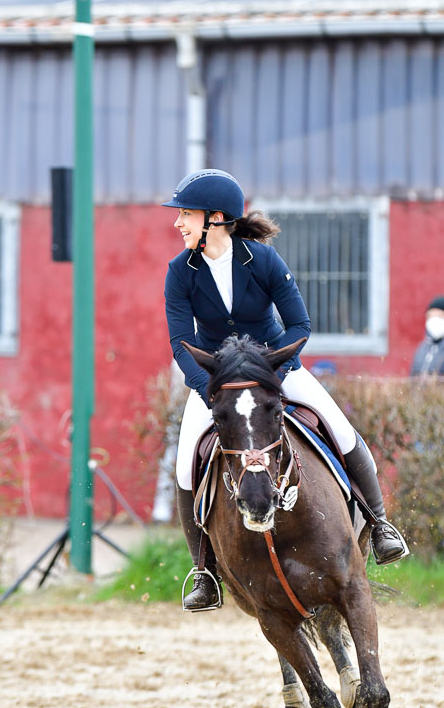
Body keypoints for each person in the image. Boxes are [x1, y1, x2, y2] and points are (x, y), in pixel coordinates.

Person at [162, 169, 408, 610]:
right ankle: (204, 572)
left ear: (216, 218)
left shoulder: (262, 259)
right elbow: (182, 346)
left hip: (277, 369)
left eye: (186, 214)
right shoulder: (180, 272)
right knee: (184, 466)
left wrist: (271, 370)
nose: (178, 223)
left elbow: (300, 324)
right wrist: (211, 390)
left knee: (343, 431)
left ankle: (382, 526)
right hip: (219, 382)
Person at [410, 295, 444, 376]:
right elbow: (412, 379)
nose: (434, 320)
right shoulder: (422, 349)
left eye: (439, 316)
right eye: (430, 316)